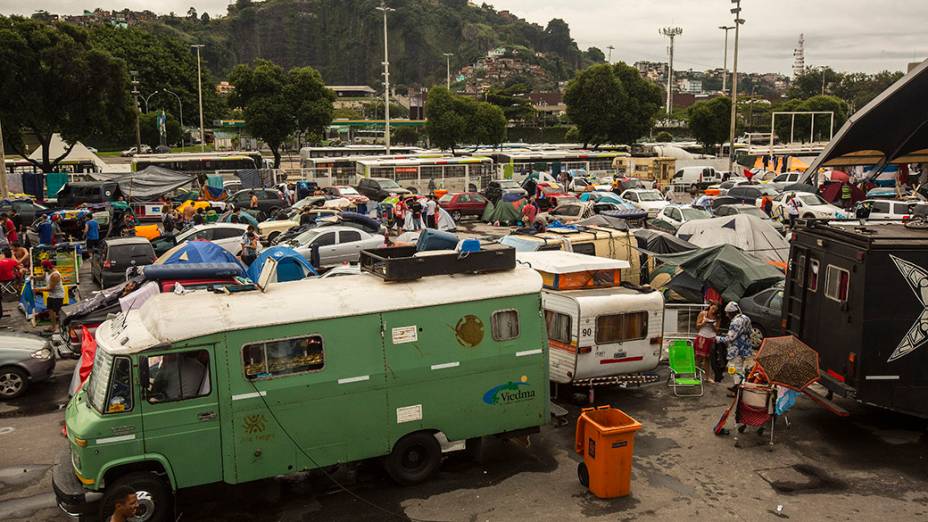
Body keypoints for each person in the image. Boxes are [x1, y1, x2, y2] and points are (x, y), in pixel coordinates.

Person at [717, 302, 755, 393]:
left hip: (736, 350)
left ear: (732, 312)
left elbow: (730, 338)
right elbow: (750, 332)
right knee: (740, 368)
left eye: (727, 313)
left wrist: (718, 339)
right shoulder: (745, 318)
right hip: (745, 348)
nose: (726, 315)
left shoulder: (735, 322)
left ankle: (738, 389)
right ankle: (737, 386)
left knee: (733, 368)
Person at [694, 303, 720, 383]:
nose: (713, 311)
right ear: (710, 306)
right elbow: (697, 326)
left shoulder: (717, 317)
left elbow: (717, 329)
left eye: (715, 310)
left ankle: (707, 377)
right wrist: (703, 323)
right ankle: (696, 376)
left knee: (708, 359)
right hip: (702, 337)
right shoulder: (702, 313)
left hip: (711, 338)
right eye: (712, 308)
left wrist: (712, 325)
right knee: (698, 358)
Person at [43, 258, 65, 333]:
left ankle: (61, 328)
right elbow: (42, 277)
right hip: (51, 295)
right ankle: (53, 327)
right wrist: (34, 277)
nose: (43, 269)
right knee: (50, 311)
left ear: (48, 267)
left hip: (58, 295)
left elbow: (50, 288)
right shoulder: (47, 272)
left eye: (44, 267)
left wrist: (37, 290)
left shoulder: (55, 275)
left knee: (57, 312)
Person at [0, 249, 23, 318]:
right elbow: (19, 268)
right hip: (10, 278)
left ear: (3, 254)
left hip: (0, 280)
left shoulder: (0, 262)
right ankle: (19, 285)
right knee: (21, 271)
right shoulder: (12, 261)